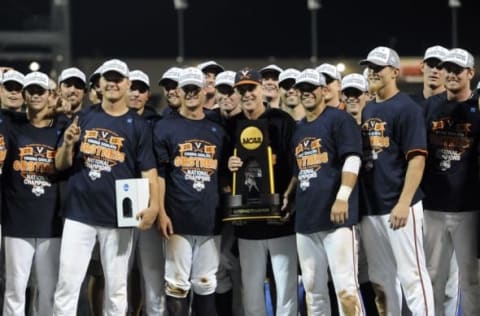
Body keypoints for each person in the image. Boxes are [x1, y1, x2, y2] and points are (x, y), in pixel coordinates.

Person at [52, 59, 160, 315]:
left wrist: (154, 206)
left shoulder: (139, 125)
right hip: (79, 215)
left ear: (127, 84)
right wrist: (68, 145)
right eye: (107, 79)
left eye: (118, 79)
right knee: (67, 284)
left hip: (119, 217)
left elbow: (149, 171)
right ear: (99, 84)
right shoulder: (84, 116)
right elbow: (60, 164)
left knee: (117, 290)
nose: (112, 83)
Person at [359, 46, 434, 316]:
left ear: (395, 72)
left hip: (400, 205)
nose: (372, 73)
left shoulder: (407, 108)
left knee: (412, 273)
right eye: (370, 67)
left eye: (379, 68)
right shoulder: (368, 110)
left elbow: (417, 159)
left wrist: (403, 203)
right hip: (372, 207)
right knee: (381, 276)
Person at [282, 68, 364, 315]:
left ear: (323, 90)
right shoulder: (299, 128)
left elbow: (352, 159)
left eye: (311, 89)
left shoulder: (339, 120)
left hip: (336, 220)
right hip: (306, 221)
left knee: (346, 289)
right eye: (302, 89)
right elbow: (300, 170)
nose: (306, 93)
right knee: (313, 292)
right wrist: (289, 195)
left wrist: (342, 198)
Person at [154, 67, 227, 316]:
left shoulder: (217, 129)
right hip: (177, 218)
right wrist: (161, 213)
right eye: (187, 89)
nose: (192, 94)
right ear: (180, 91)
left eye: (196, 89)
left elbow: (225, 173)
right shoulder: (165, 127)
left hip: (210, 217)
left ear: (204, 90)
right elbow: (160, 175)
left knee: (206, 283)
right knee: (176, 285)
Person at [227, 68, 298, 316]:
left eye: (251, 88)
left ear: (261, 89)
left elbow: (297, 167)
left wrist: (289, 201)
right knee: (252, 289)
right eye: (242, 90)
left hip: (280, 218)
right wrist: (229, 166)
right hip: (247, 222)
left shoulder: (282, 121)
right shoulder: (231, 125)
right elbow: (223, 175)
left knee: (286, 287)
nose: (247, 94)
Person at [422, 48, 480, 316]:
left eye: (458, 70)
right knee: (433, 277)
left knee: (471, 279)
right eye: (448, 69)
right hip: (432, 206)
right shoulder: (431, 106)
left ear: (471, 73)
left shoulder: (477, 108)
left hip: (468, 208)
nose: (452, 74)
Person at [1, 71, 63, 316]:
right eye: (32, 91)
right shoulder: (11, 125)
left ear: (50, 95)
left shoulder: (62, 127)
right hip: (17, 222)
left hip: (51, 223)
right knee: (15, 290)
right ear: (24, 95)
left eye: (41, 91)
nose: (36, 95)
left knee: (49, 291)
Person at [127, 69, 166, 316]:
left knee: (153, 275)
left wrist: (158, 207)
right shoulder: (110, 119)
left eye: (141, 89)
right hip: (120, 200)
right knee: (118, 274)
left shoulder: (158, 124)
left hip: (150, 200)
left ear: (147, 94)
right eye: (132, 88)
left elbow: (161, 170)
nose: (135, 94)